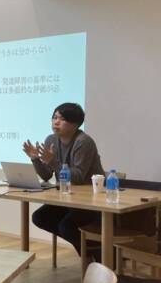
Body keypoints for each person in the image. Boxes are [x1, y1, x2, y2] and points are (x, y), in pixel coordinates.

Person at [22, 102, 105, 260]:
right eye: (54, 117)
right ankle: (92, 251)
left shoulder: (83, 141)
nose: (56, 122)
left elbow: (78, 177)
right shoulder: (51, 140)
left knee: (66, 226)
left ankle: (98, 254)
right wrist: (35, 159)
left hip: (91, 200)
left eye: (62, 119)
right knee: (39, 217)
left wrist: (52, 161)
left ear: (75, 123)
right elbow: (46, 175)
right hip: (68, 198)